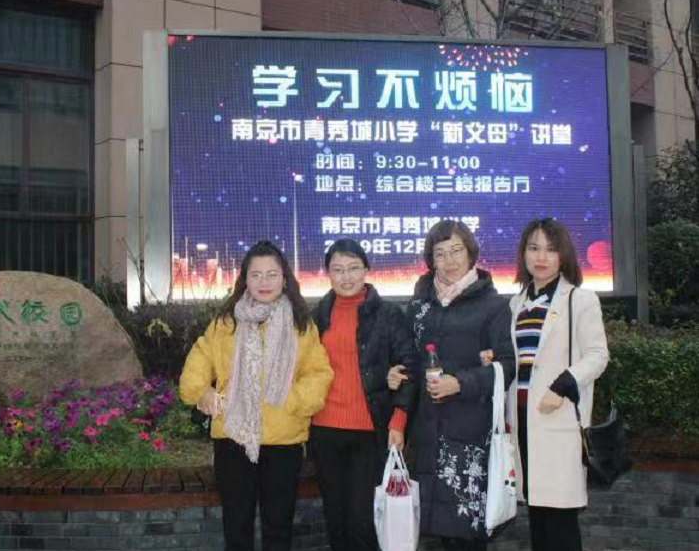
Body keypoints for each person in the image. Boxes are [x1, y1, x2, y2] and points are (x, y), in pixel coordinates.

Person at [179, 240, 332, 551]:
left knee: (278, 528)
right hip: (232, 438)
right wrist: (201, 392)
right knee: (237, 527)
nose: (264, 282)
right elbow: (201, 356)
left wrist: (292, 401)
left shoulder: (301, 325)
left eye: (272, 274)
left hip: (284, 441)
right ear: (245, 279)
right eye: (256, 274)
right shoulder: (226, 322)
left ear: (284, 279)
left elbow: (318, 374)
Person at [402, 220, 515, 551]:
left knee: (468, 534)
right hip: (427, 434)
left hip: (471, 434)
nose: (449, 261)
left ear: (471, 254)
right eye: (440, 253)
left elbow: (508, 366)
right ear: (431, 260)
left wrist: (461, 383)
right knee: (438, 533)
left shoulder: (494, 306)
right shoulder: (419, 307)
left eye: (456, 251)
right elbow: (410, 361)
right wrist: (397, 374)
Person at [309, 239, 417, 551]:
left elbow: (409, 367)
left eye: (354, 268)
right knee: (336, 519)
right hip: (324, 430)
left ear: (367, 269)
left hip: (370, 430)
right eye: (338, 269)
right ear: (328, 273)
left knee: (363, 522)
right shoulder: (316, 317)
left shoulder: (388, 315)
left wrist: (398, 420)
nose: (346, 277)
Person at [507, 218, 609, 551]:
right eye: (533, 248)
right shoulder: (516, 304)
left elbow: (598, 356)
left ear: (563, 255)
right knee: (537, 517)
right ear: (523, 253)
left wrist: (562, 385)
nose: (541, 257)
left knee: (560, 522)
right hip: (521, 423)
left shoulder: (580, 299)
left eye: (550, 249)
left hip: (557, 420)